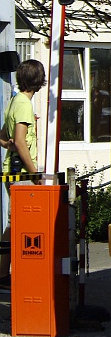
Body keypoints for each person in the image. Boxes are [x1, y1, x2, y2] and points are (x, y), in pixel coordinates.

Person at [0, 59, 45, 283]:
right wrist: (35, 174)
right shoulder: (25, 105)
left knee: (14, 222)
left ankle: (4, 272)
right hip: (22, 174)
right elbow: (20, 141)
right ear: (39, 81)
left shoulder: (13, 102)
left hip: (11, 170)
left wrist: (8, 144)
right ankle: (15, 273)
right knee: (24, 224)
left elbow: (3, 137)